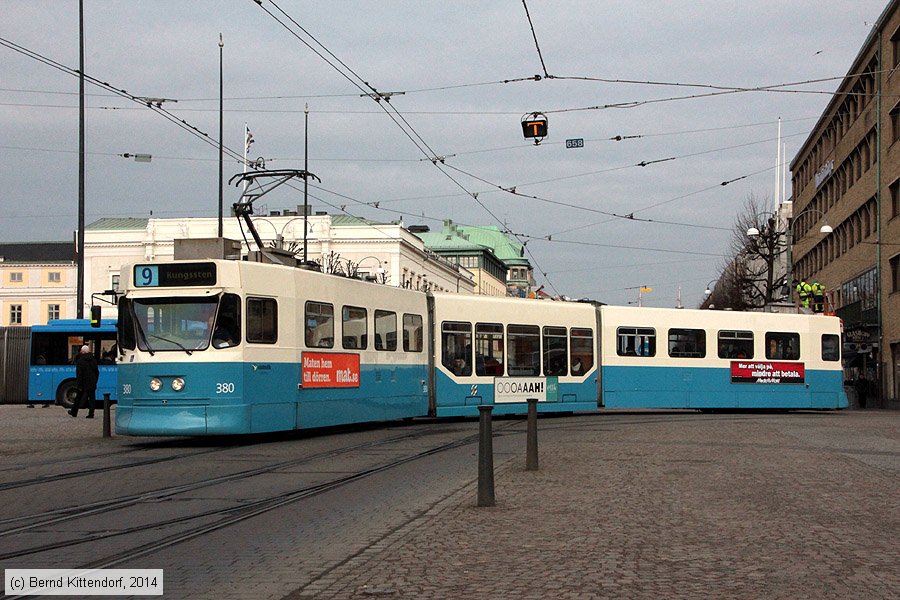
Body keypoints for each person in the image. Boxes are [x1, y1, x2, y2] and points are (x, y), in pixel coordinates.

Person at [70, 345, 99, 418]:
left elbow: (79, 374)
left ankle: (74, 412)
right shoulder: (93, 360)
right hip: (92, 382)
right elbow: (97, 372)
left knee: (78, 397)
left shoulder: (80, 361)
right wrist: (95, 381)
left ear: (82, 352)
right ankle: (91, 414)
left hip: (83, 382)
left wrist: (79, 384)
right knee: (92, 398)